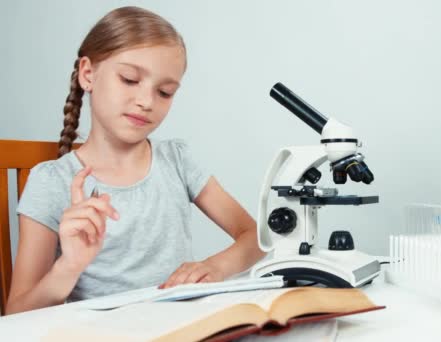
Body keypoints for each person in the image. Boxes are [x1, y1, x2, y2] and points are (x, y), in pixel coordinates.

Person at [6, 6, 265, 314]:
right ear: (88, 74)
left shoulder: (176, 159)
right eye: (129, 79)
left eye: (165, 92)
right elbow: (17, 314)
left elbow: (257, 237)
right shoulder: (51, 182)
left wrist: (216, 267)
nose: (146, 102)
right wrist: (69, 266)